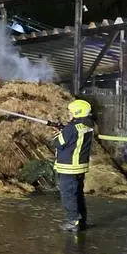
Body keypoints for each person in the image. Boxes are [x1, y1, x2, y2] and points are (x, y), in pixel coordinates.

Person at [52, 99, 95, 233]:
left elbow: (57, 143)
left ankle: (73, 221)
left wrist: (60, 133)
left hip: (69, 168)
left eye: (70, 113)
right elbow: (75, 136)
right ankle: (82, 221)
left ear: (77, 113)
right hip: (80, 167)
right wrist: (64, 129)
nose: (69, 115)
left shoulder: (71, 129)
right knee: (78, 194)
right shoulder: (88, 125)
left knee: (68, 195)